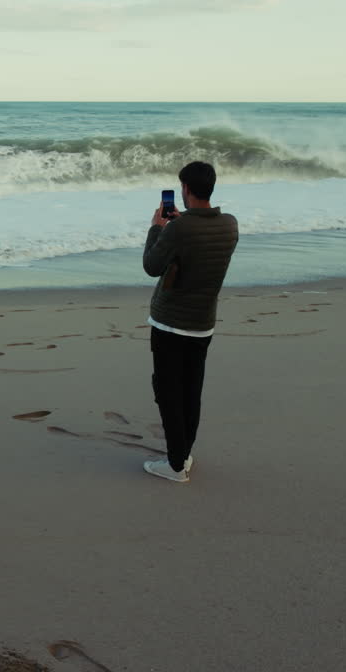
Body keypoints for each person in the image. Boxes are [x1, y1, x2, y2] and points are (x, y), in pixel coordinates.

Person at [141, 161, 239, 483]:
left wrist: (158, 227)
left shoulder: (178, 229)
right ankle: (183, 455)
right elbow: (201, 246)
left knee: (168, 392)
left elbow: (152, 266)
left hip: (170, 323)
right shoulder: (229, 225)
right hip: (202, 323)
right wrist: (180, 226)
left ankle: (174, 465)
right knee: (191, 390)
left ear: (185, 189)